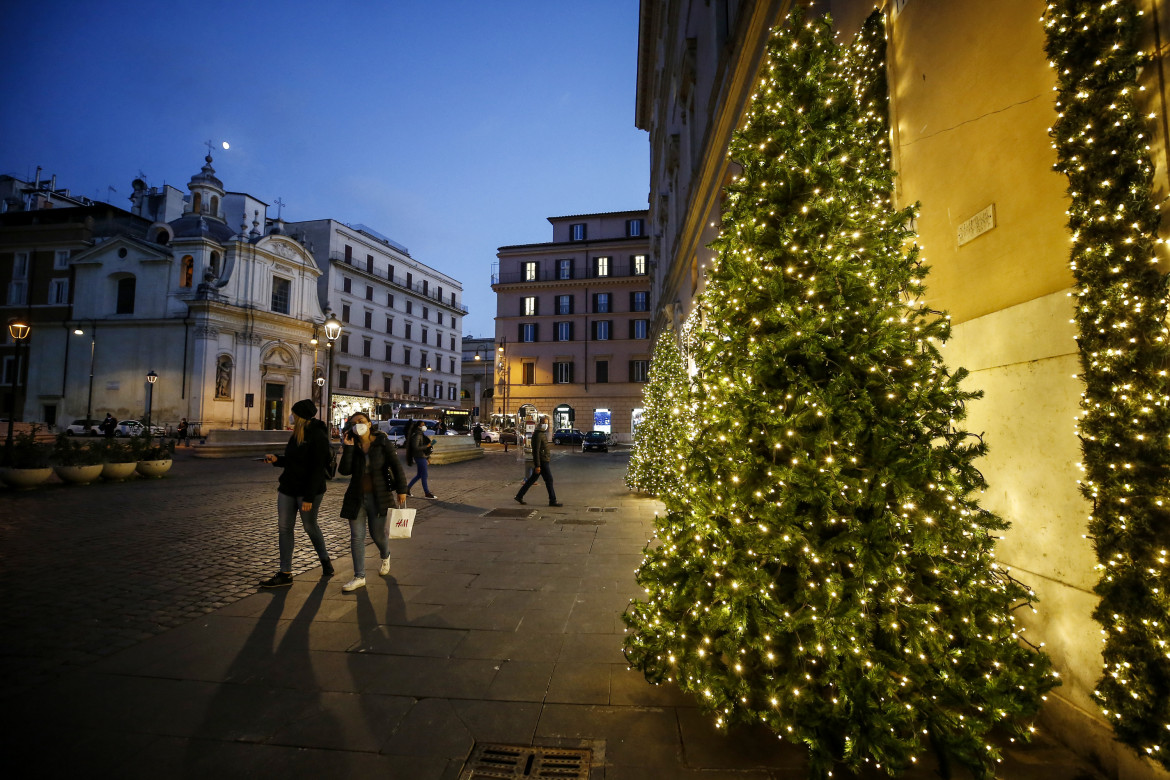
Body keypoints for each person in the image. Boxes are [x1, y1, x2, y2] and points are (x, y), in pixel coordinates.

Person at [258, 399, 334, 588]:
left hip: (308, 490)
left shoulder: (318, 435)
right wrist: (277, 459)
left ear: (301, 416)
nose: (291, 416)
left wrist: (309, 497)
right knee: (284, 528)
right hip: (288, 487)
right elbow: (294, 460)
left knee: (309, 526)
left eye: (294, 413)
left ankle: (325, 560)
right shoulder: (296, 434)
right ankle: (285, 573)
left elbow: (317, 468)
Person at [337, 411, 408, 592]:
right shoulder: (353, 445)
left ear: (369, 424)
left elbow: (396, 466)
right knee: (357, 537)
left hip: (379, 496)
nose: (357, 425)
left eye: (361, 421)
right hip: (356, 497)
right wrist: (348, 448)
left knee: (377, 535)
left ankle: (385, 555)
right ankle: (359, 576)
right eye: (353, 423)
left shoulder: (382, 441)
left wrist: (402, 490)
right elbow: (344, 470)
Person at [515, 414, 562, 507]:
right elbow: (536, 451)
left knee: (532, 479)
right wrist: (537, 466)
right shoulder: (538, 435)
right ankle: (552, 500)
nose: (546, 425)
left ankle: (519, 496)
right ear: (541, 424)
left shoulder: (541, 433)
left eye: (546, 423)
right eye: (545, 423)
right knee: (549, 480)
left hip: (543, 460)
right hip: (542, 461)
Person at [405, 420, 436, 499]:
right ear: (419, 426)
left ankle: (407, 489)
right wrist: (427, 446)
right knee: (424, 475)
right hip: (419, 456)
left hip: (421, 456)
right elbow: (416, 447)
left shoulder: (420, 434)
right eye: (422, 425)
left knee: (419, 475)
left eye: (424, 425)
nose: (424, 426)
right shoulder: (417, 435)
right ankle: (427, 493)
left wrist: (427, 454)